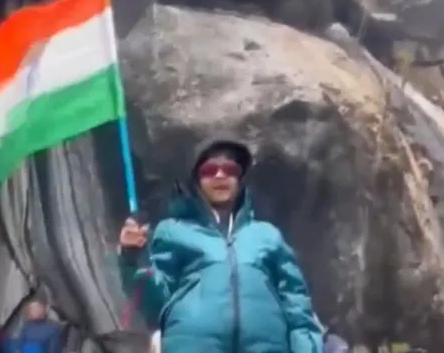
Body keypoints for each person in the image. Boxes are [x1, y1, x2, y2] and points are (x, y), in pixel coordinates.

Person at [118, 133, 324, 353]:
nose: (220, 175)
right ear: (195, 180)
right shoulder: (173, 231)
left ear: (240, 179)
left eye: (230, 169)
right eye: (209, 169)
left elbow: (297, 307)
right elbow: (154, 302)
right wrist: (133, 258)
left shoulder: (267, 235)